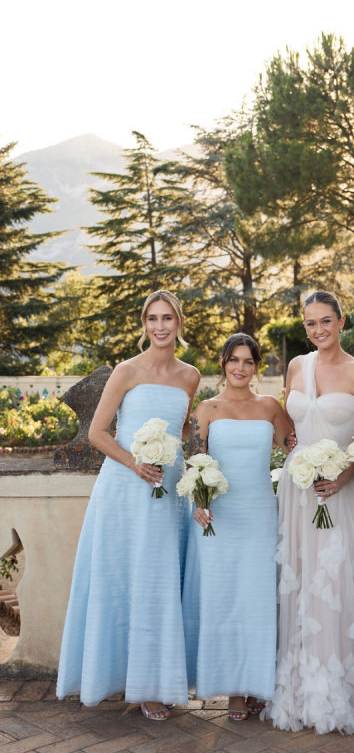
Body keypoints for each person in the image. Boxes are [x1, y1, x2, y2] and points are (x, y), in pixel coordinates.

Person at [56, 290, 199, 720]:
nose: (160, 326)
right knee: (125, 578)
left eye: (167, 318)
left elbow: (184, 429)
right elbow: (97, 433)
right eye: (152, 318)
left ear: (179, 322)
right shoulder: (126, 370)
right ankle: (128, 682)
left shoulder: (190, 376)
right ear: (144, 324)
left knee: (159, 580)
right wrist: (135, 463)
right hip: (124, 487)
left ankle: (153, 683)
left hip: (167, 490)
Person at [263, 290, 354, 734]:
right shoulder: (297, 366)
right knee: (298, 578)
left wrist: (344, 476)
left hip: (340, 491)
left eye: (326, 321)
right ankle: (299, 686)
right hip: (297, 491)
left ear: (341, 321)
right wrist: (291, 448)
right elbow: (289, 424)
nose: (318, 330)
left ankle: (340, 689)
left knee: (335, 579)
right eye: (311, 323)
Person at [182, 333, 292, 721]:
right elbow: (195, 462)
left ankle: (257, 683)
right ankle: (233, 691)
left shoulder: (271, 407)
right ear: (223, 363)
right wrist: (198, 503)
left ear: (256, 366)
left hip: (260, 514)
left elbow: (295, 447)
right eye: (234, 360)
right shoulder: (207, 409)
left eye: (248, 361)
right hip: (219, 517)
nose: (240, 368)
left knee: (257, 599)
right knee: (224, 597)